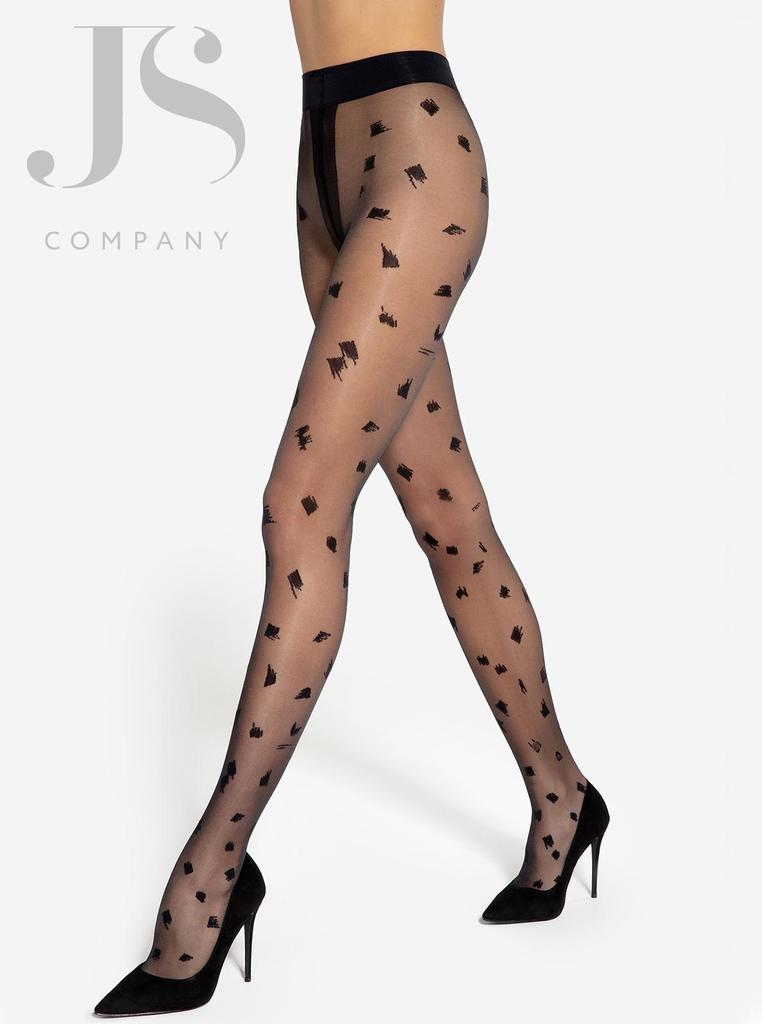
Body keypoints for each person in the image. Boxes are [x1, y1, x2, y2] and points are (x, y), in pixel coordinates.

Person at [94, 1, 609, 1016]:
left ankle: (212, 875)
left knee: (299, 505)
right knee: (448, 516)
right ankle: (564, 794)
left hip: (415, 152)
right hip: (319, 158)